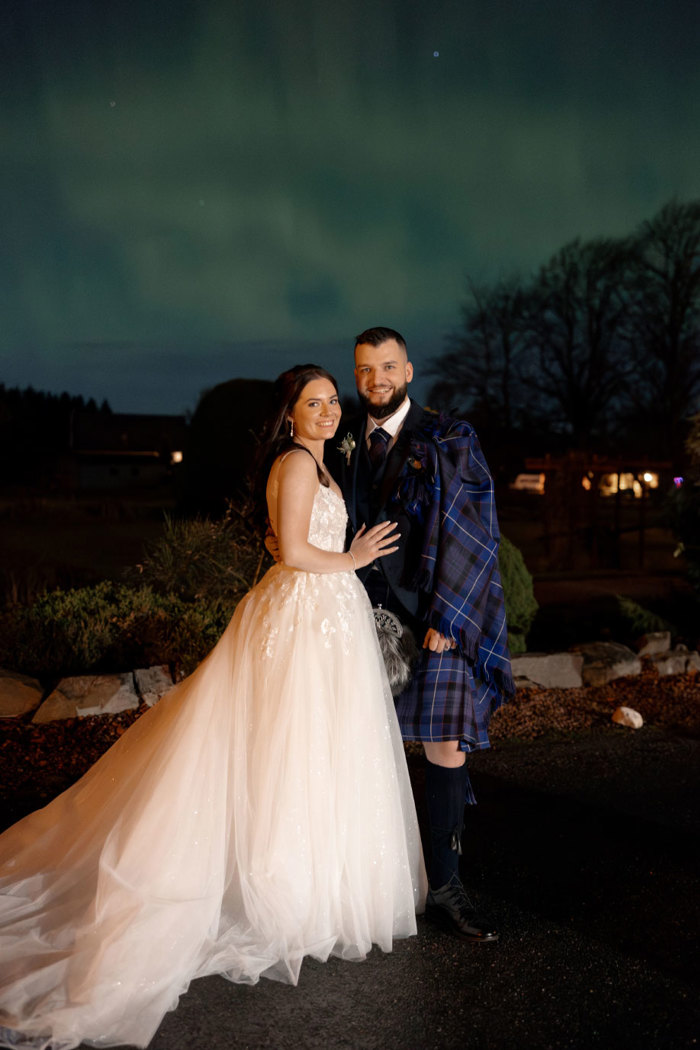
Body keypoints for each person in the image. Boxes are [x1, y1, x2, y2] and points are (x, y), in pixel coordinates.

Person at [0, 365, 426, 1050]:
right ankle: (279, 889)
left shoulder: (318, 469)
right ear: (288, 415)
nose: (326, 411)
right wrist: (351, 557)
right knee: (283, 751)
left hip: (327, 621)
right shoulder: (293, 464)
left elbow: (285, 542)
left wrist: (340, 562)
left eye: (329, 402)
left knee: (324, 752)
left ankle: (317, 887)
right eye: (311, 403)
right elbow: (291, 551)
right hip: (301, 621)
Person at [327, 327, 514, 944]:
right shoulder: (343, 440)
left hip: (433, 618)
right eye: (363, 369)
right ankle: (357, 882)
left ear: (409, 370)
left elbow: (475, 532)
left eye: (386, 367)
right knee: (354, 748)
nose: (375, 379)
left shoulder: (449, 438)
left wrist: (449, 617)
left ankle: (446, 888)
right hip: (357, 615)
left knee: (443, 747)